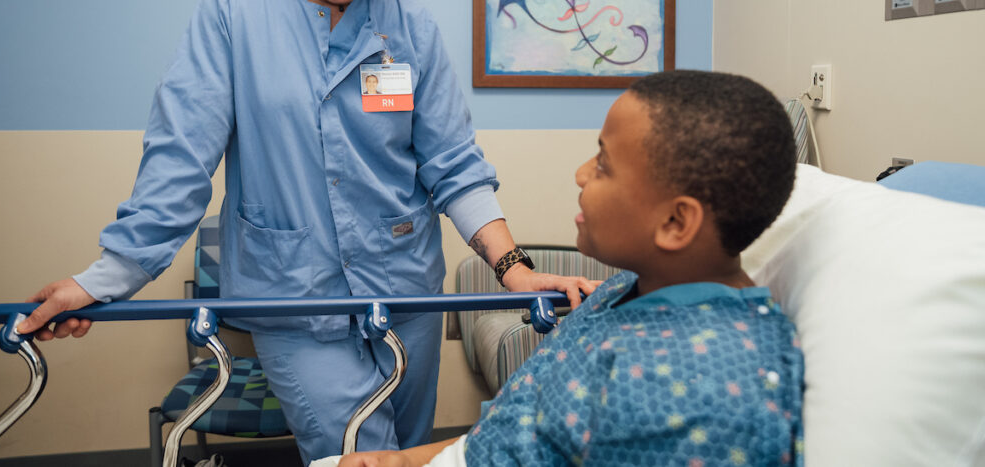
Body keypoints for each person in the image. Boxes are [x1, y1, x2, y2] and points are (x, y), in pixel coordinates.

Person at [17, 0, 598, 463]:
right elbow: (183, 155)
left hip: (409, 295)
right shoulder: (234, 6)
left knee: (408, 450)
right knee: (360, 454)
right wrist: (105, 280)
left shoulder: (410, 27)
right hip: (292, 297)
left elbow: (453, 165)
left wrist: (516, 268)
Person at [329, 70, 804, 467]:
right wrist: (409, 460)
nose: (580, 174)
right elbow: (527, 428)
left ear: (676, 222)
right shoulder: (623, 292)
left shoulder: (698, 397)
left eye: (603, 165)